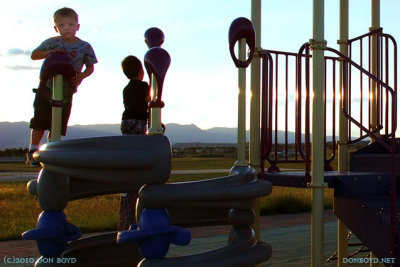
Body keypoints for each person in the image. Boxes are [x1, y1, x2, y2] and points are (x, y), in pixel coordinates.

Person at [26, 7, 98, 166]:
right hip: (47, 87)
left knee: (57, 122)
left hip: (67, 89)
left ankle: (52, 148)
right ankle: (32, 150)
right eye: (62, 25)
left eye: (70, 24)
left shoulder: (84, 46)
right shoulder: (52, 42)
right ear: (56, 28)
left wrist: (81, 76)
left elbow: (91, 67)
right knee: (39, 120)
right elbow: (34, 54)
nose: (66, 28)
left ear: (77, 26)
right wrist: (50, 52)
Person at [118, 55, 150, 231]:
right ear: (141, 71)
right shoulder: (144, 86)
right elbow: (148, 105)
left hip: (126, 122)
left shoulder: (126, 88)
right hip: (139, 121)